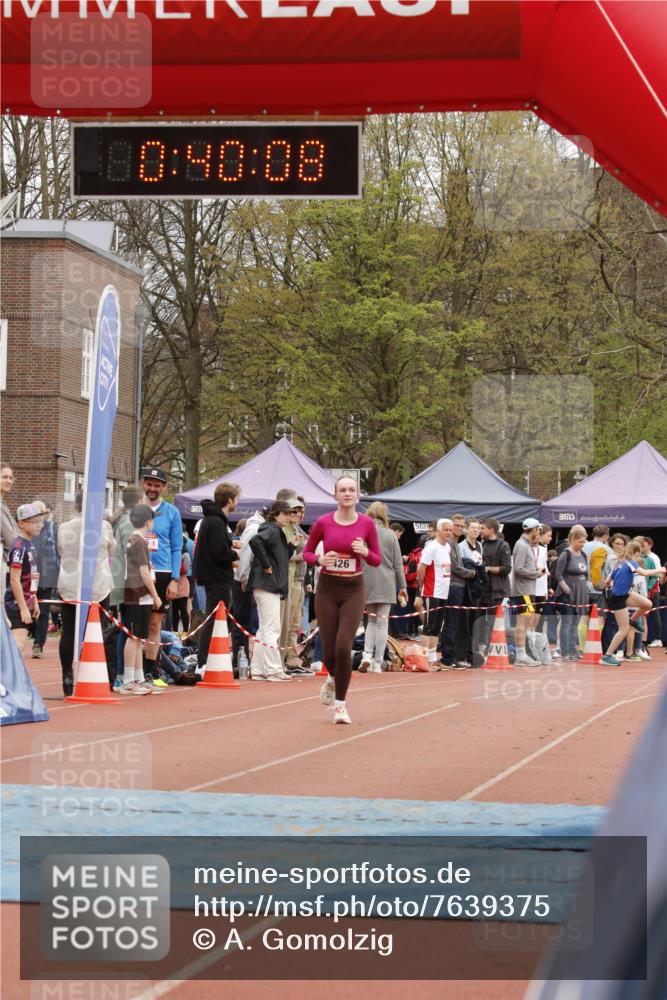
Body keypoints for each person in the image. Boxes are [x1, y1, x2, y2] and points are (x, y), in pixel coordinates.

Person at [302, 476, 381, 723]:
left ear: (357, 495)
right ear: (335, 495)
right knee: (328, 653)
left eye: (351, 490)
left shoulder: (367, 523)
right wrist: (319, 560)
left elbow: (377, 559)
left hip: (353, 589)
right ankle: (332, 677)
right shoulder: (322, 523)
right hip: (327, 588)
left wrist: (365, 551)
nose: (347, 494)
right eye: (342, 490)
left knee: (343, 647)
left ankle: (340, 706)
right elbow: (306, 552)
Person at [57, 491, 117, 696]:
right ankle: (93, 674)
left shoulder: (64, 528)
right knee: (97, 632)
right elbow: (112, 551)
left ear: (76, 504)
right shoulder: (104, 526)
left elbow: (61, 550)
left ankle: (67, 675)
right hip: (97, 587)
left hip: (70, 585)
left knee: (69, 632)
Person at [192, 482, 240, 674]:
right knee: (214, 618)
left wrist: (230, 543)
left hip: (213, 575)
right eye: (236, 499)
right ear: (230, 500)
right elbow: (219, 552)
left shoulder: (212, 520)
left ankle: (208, 659)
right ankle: (203, 661)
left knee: (216, 618)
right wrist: (234, 554)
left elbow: (217, 545)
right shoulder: (216, 521)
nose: (237, 502)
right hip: (216, 576)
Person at [140, 467, 183, 678]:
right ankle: (128, 670)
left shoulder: (172, 512)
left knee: (155, 624)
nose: (152, 488)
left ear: (163, 487)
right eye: (149, 484)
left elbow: (177, 547)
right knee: (134, 624)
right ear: (143, 483)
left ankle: (151, 671)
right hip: (135, 572)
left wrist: (174, 578)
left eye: (157, 485)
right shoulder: (134, 508)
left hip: (162, 572)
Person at [248, 499, 296, 682]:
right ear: (275, 514)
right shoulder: (273, 530)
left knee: (264, 629)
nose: (289, 517)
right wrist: (266, 565)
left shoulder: (274, 531)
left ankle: (259, 669)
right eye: (285, 513)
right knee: (271, 629)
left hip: (265, 585)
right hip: (269, 585)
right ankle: (274, 670)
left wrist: (291, 547)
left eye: (290, 514)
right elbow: (255, 541)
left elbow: (279, 559)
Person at [120, 504, 163, 695]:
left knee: (139, 637)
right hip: (138, 593)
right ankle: (128, 679)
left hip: (137, 593)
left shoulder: (133, 540)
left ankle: (137, 677)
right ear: (148, 522)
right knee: (135, 636)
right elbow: (144, 572)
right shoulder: (139, 542)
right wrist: (155, 595)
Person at [600, 540, 666, 666]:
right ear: (635, 553)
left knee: (648, 604)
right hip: (618, 598)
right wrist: (661, 569)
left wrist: (610, 587)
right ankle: (607, 656)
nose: (640, 557)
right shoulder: (631, 563)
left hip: (623, 594)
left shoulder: (619, 564)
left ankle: (633, 620)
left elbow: (607, 581)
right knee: (623, 630)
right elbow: (645, 573)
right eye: (639, 554)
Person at [360, 502, 407, 673]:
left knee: (371, 621)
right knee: (382, 623)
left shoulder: (363, 533)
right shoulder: (390, 535)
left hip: (367, 581)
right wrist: (403, 587)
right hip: (387, 582)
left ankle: (366, 655)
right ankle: (378, 662)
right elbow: (398, 564)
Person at [109, 483, 143, 687]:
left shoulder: (120, 520)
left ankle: (123, 673)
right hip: (127, 582)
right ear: (139, 501)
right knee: (129, 630)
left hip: (121, 580)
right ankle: (122, 674)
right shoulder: (130, 523)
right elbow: (130, 555)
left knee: (125, 629)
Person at [3, 502, 44, 656]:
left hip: (27, 600)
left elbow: (31, 576)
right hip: (15, 603)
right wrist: (23, 607)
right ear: (21, 523)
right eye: (35, 522)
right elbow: (14, 579)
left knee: (19, 643)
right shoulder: (19, 546)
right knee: (17, 644)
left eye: (40, 521)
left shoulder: (29, 545)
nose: (39, 525)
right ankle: (8, 677)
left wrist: (34, 599)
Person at [416, 518, 453, 670]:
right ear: (438, 531)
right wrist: (423, 586)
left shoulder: (448, 547)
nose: (449, 533)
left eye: (450, 530)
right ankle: (425, 660)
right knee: (429, 626)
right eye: (446, 530)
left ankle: (432, 659)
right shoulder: (432, 547)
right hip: (432, 592)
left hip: (443, 593)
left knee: (437, 626)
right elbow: (421, 568)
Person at [511, 517, 547, 665]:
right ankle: (521, 655)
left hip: (527, 589)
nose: (539, 532)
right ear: (533, 530)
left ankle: (523, 654)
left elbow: (522, 567)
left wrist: (534, 570)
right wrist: (536, 574)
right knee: (523, 622)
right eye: (538, 530)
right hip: (524, 590)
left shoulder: (525, 545)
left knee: (526, 621)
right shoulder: (522, 546)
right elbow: (518, 569)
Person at [283, 498, 311, 674]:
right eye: (294, 511)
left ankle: (292, 657)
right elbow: (282, 555)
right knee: (287, 622)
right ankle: (284, 658)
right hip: (291, 579)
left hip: (300, 579)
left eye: (301, 511)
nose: (298, 515)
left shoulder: (297, 529)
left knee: (295, 623)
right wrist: (300, 557)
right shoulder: (285, 530)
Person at [553, 525, 589, 660]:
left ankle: (573, 649)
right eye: (580, 541)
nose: (582, 544)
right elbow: (558, 574)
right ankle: (565, 650)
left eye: (584, 542)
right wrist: (566, 589)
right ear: (573, 540)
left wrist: (586, 587)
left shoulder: (584, 554)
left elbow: (586, 574)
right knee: (567, 622)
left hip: (581, 594)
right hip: (567, 594)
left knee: (575, 622)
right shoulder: (566, 554)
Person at [31, 500, 60, 658]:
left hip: (46, 578)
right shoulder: (26, 528)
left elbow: (59, 552)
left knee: (43, 612)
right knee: (27, 611)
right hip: (28, 576)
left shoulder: (53, 529)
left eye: (41, 512)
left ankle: (38, 644)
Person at [1, 464, 18, 586]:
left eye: (11, 478)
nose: (8, 481)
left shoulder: (4, 505)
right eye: (4, 477)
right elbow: (12, 539)